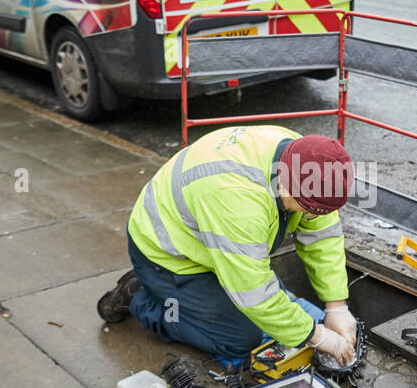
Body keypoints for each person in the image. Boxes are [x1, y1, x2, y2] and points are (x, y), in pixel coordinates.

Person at [98, 125, 358, 367]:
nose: (311, 217)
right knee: (239, 339)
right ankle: (141, 299)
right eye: (308, 210)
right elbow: (255, 297)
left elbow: (322, 237)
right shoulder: (237, 199)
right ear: (286, 186)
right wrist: (318, 337)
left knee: (272, 308)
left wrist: (337, 305)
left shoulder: (308, 158)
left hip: (210, 239)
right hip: (167, 255)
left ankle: (183, 296)